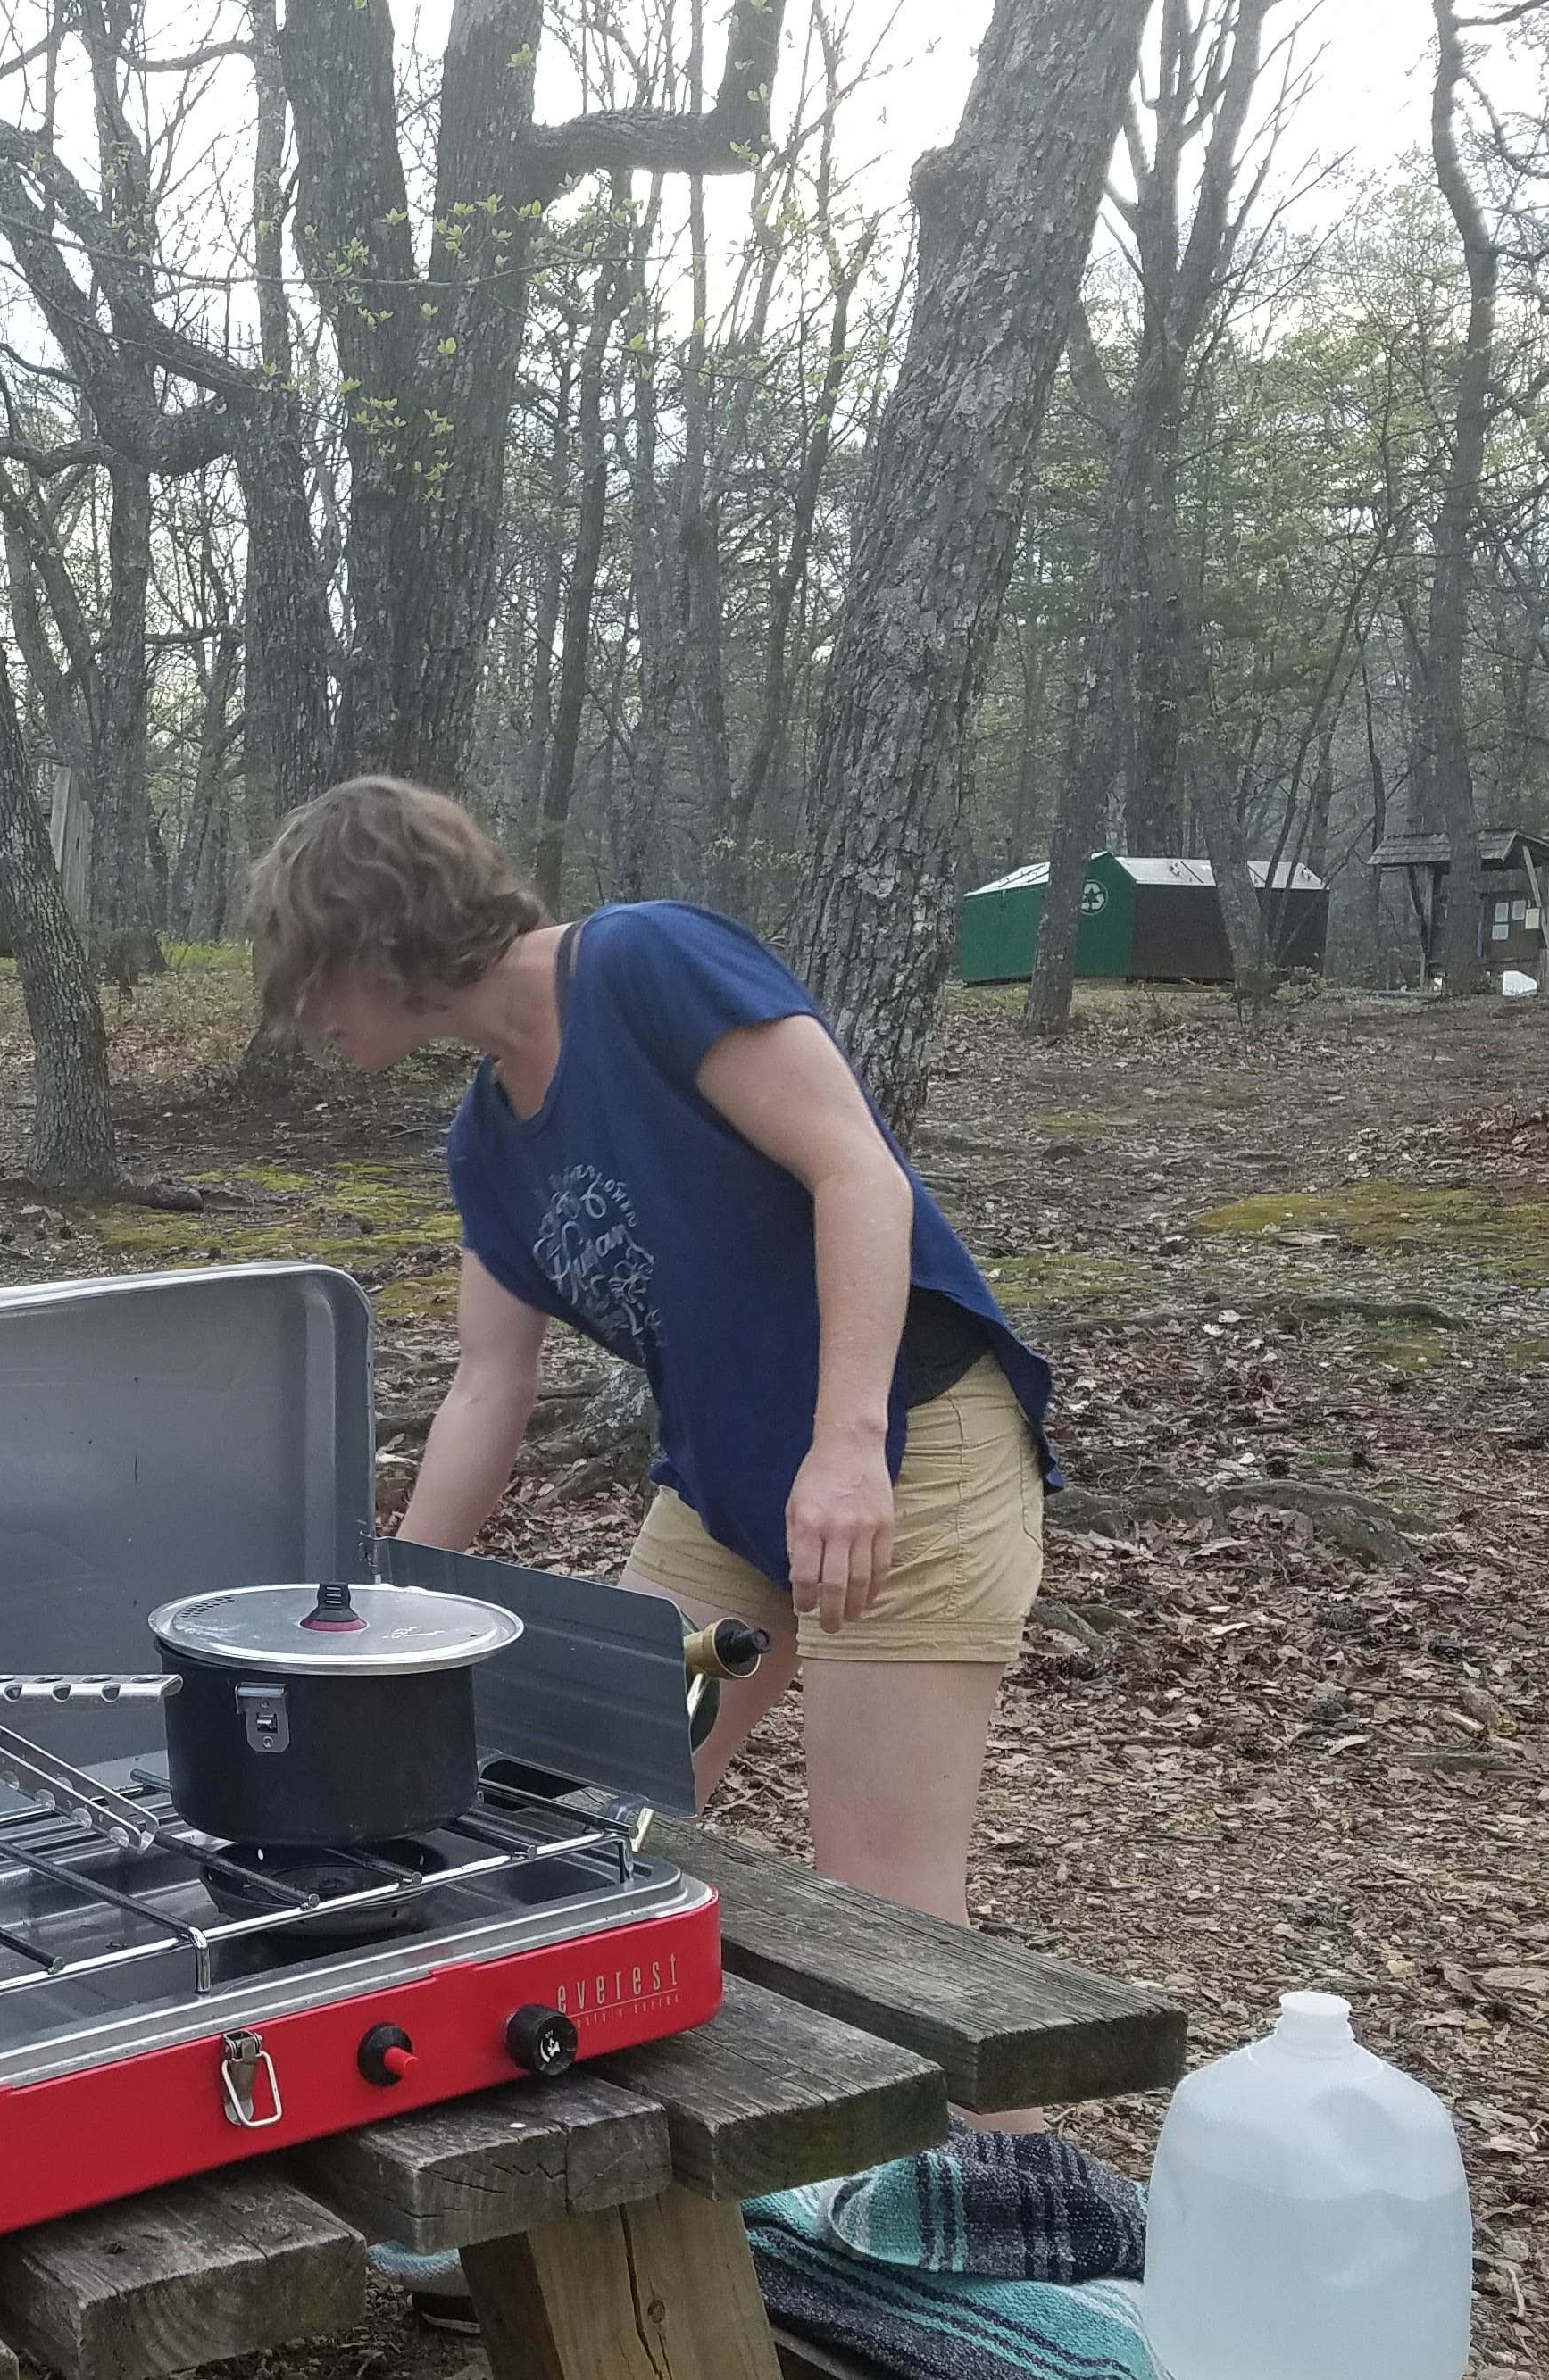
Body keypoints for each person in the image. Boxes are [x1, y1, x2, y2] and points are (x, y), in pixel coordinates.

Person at [247, 777, 1054, 1943]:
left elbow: (856, 1171)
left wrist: (846, 1447)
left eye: (307, 975)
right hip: (728, 1493)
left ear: (378, 936)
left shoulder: (643, 964)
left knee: (891, 1913)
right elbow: (488, 1382)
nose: (303, 1017)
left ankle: (995, 2139)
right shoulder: (486, 1145)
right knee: (586, 1819)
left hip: (908, 1449)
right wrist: (383, 1617)